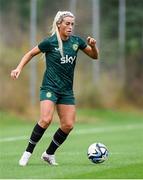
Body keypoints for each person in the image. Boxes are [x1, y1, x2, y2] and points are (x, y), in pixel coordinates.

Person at [11, 11, 99, 166]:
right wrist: (18, 68)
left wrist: (93, 46)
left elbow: (94, 56)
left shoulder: (76, 42)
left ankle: (49, 154)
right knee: (45, 119)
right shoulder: (50, 42)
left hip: (66, 91)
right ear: (59, 24)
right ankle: (27, 153)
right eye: (67, 23)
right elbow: (30, 53)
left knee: (68, 125)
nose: (70, 26)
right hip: (49, 87)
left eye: (72, 24)